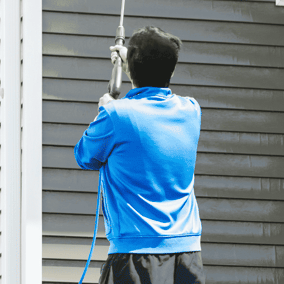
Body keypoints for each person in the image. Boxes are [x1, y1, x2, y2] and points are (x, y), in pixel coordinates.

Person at [74, 26, 205, 284]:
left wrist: (104, 110)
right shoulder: (191, 110)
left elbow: (85, 156)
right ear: (172, 69)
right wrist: (132, 63)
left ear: (132, 67)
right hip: (187, 254)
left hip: (135, 256)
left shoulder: (115, 116)